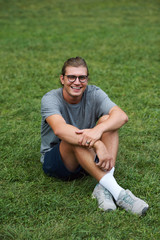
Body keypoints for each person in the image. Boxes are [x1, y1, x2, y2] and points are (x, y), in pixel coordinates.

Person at [40, 56, 149, 216]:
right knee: (74, 138)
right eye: (71, 77)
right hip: (58, 161)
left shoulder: (94, 93)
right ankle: (120, 194)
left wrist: (99, 130)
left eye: (82, 77)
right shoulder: (50, 98)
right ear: (62, 79)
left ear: (87, 79)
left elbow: (121, 116)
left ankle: (103, 187)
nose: (77, 82)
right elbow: (60, 130)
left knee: (108, 120)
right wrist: (97, 144)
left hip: (87, 159)